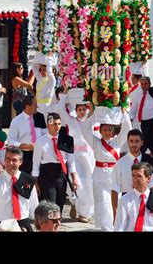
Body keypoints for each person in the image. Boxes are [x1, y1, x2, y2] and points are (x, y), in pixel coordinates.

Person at [81, 106, 132, 231]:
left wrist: (123, 113)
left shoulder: (117, 142)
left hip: (114, 175)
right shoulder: (95, 142)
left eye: (110, 129)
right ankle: (106, 228)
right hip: (99, 177)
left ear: (113, 130)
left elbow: (127, 129)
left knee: (115, 203)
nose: (107, 132)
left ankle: (117, 225)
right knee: (103, 204)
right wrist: (93, 115)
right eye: (105, 130)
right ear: (100, 131)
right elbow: (84, 129)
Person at [57, 94, 95, 222]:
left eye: (84, 109)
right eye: (79, 110)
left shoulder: (91, 121)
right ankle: (74, 204)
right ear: (76, 110)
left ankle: (84, 213)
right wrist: (66, 95)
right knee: (77, 182)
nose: (82, 112)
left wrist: (92, 93)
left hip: (88, 156)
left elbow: (96, 110)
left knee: (89, 183)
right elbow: (61, 110)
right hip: (75, 156)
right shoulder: (71, 120)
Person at [0, 146, 39, 232]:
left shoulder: (29, 181)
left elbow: (35, 210)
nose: (10, 163)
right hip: (2, 227)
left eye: (14, 160)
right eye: (8, 159)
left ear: (21, 162)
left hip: (23, 225)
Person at [32, 113, 77, 212]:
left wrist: (74, 178)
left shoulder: (66, 139)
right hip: (47, 174)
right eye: (54, 124)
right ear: (48, 125)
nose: (57, 127)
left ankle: (57, 223)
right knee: (50, 203)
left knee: (60, 202)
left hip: (61, 173)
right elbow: (35, 164)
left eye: (59, 124)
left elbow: (71, 160)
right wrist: (36, 182)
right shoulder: (40, 142)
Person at [111, 129, 153, 221]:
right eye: (131, 141)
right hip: (127, 203)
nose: (134, 144)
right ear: (127, 142)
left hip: (145, 202)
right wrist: (115, 213)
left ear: (142, 142)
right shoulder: (120, 163)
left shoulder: (149, 161)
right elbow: (114, 189)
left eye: (137, 141)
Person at [114, 162, 153, 232]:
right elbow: (119, 227)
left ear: (148, 178)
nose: (135, 179)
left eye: (139, 176)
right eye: (133, 175)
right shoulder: (125, 200)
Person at [129, 76, 153, 173]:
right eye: (142, 84)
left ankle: (136, 162)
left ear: (149, 84)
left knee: (147, 144)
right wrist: (129, 119)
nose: (144, 86)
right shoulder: (138, 95)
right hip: (144, 123)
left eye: (146, 84)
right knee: (151, 144)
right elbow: (134, 108)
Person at [8, 94, 47, 175]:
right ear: (27, 106)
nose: (37, 107)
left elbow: (45, 134)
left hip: (39, 154)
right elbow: (10, 141)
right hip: (24, 155)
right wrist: (25, 146)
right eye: (35, 105)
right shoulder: (16, 121)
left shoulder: (40, 117)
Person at [27, 54, 56, 118]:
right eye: (41, 69)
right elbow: (34, 67)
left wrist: (49, 58)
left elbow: (49, 72)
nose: (42, 71)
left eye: (44, 70)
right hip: (37, 106)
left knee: (45, 125)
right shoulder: (40, 78)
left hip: (46, 106)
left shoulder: (51, 81)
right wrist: (39, 53)